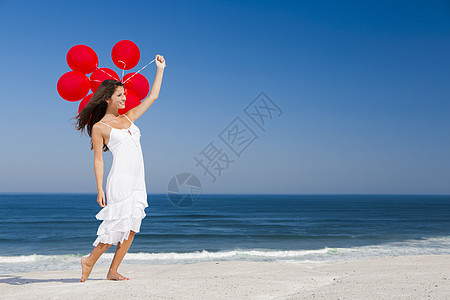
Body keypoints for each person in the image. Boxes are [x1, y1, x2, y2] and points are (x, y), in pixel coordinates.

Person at [73, 54, 166, 282]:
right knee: (115, 226)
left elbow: (153, 97)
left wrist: (160, 69)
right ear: (108, 98)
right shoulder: (99, 127)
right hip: (120, 180)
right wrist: (99, 189)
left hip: (138, 181)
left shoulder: (130, 117)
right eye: (120, 95)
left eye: (124, 94)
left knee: (132, 227)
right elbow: (98, 160)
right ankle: (89, 261)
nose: (125, 98)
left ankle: (113, 270)